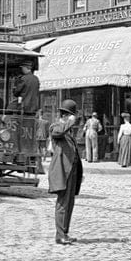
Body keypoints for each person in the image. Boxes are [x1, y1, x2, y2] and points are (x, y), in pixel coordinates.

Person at [47, 99, 84, 245]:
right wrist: (70, 122)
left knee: (70, 203)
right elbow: (58, 133)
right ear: (65, 115)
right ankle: (59, 234)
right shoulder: (56, 126)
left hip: (71, 171)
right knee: (62, 203)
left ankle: (65, 233)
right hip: (62, 170)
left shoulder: (68, 131)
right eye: (70, 116)